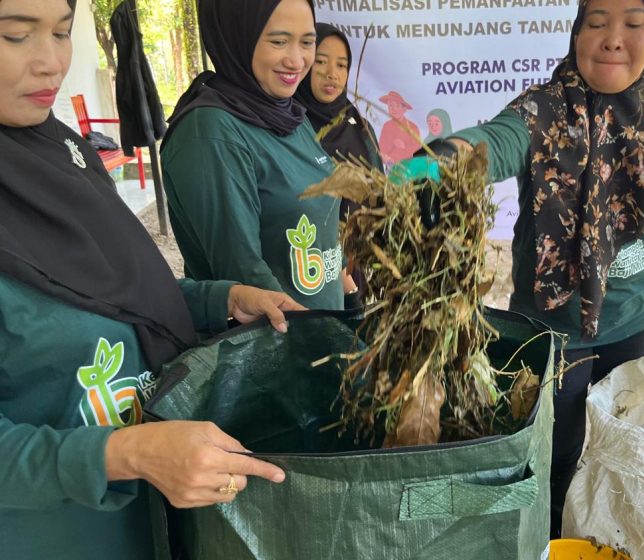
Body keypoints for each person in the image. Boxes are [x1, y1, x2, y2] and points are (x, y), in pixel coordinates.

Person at [394, 0, 644, 537]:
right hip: (549, 331)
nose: (613, 38)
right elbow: (498, 139)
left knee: (621, 453)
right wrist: (443, 159)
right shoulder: (542, 111)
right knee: (552, 456)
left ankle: (602, 539)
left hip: (632, 323)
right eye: (597, 22)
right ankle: (546, 541)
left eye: (633, 23)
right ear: (576, 32)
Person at [0, 0, 307, 557]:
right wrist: (125, 455)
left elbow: (117, 295)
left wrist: (222, 299)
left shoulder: (65, 155)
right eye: (15, 36)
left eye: (63, 32)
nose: (51, 63)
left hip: (157, 519)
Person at [161, 0, 354, 310]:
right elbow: (244, 274)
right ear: (238, 35)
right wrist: (316, 339)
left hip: (322, 333)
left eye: (307, 43)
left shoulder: (290, 113)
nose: (296, 60)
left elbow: (322, 225)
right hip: (278, 345)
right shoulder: (212, 133)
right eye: (279, 41)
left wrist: (348, 291)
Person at [293, 23, 383, 307]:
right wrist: (338, 274)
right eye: (321, 61)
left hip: (355, 270)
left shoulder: (359, 127)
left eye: (342, 65)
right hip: (306, 271)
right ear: (304, 63)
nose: (332, 73)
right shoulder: (288, 127)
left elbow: (379, 194)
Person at [378, 89, 421, 166]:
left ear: (404, 109)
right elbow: (381, 148)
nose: (393, 109)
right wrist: (384, 157)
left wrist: (404, 147)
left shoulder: (412, 127)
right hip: (389, 167)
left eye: (397, 106)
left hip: (408, 167)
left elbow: (418, 151)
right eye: (390, 105)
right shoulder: (386, 126)